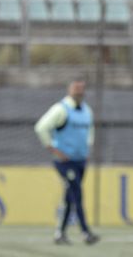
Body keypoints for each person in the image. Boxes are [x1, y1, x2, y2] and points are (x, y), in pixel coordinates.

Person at [34, 79, 100, 246]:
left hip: (80, 161)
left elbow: (90, 131)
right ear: (69, 90)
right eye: (76, 88)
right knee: (77, 193)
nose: (79, 92)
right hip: (65, 162)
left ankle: (60, 234)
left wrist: (87, 150)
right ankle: (85, 232)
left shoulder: (87, 111)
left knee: (70, 196)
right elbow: (41, 127)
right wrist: (54, 149)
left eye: (81, 88)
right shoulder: (61, 109)